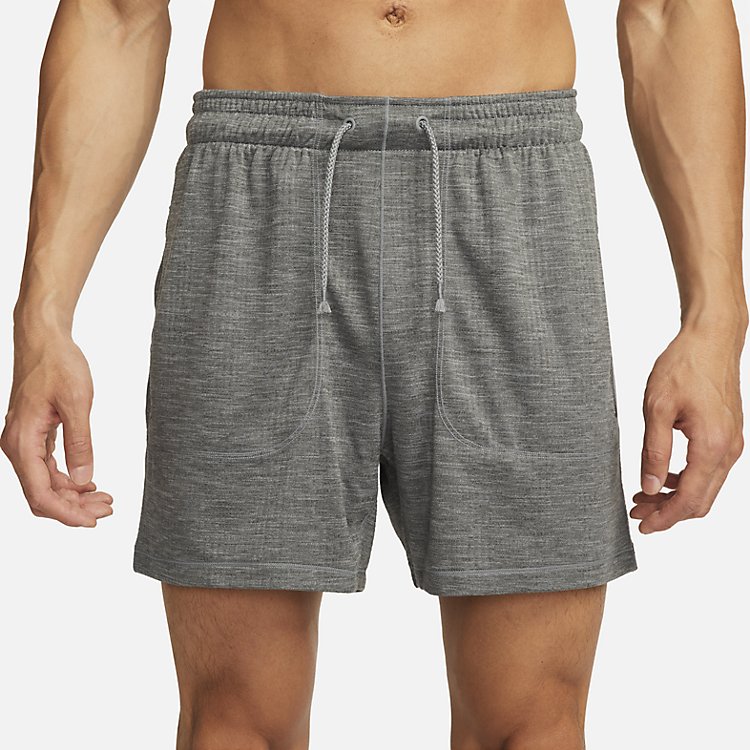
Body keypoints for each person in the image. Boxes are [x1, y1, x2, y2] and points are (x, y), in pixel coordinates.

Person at [2, 1, 746, 748]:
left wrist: (716, 322)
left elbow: (671, 10)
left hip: (512, 196)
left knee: (532, 726)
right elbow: (114, 13)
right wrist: (43, 320)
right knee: (233, 722)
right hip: (259, 194)